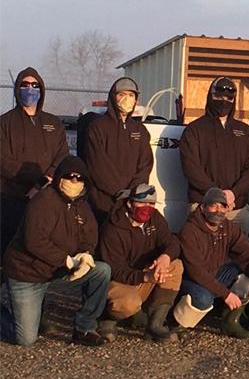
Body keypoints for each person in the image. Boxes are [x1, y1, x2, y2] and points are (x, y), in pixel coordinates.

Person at [1, 156, 110, 346]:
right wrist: (68, 261)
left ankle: (84, 328)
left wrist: (85, 255)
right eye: (69, 177)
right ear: (59, 177)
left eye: (79, 178)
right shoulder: (42, 201)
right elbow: (34, 241)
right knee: (25, 339)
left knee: (101, 271)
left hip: (56, 273)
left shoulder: (83, 205)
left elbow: (90, 235)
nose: (74, 182)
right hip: (27, 275)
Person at [96, 184, 183, 343]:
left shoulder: (155, 218)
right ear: (129, 203)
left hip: (143, 276)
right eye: (142, 203)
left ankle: (155, 324)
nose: (147, 208)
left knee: (175, 265)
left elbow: (172, 242)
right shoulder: (113, 228)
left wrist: (165, 256)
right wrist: (145, 276)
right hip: (118, 281)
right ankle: (106, 319)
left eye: (151, 204)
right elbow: (114, 269)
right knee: (129, 303)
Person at [175, 187, 249, 338]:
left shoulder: (228, 227)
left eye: (222, 206)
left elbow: (247, 252)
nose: (218, 210)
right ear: (203, 207)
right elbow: (196, 271)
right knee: (204, 298)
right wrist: (225, 293)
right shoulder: (189, 230)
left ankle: (230, 322)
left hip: (216, 273)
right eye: (213, 205)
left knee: (247, 277)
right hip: (191, 279)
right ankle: (179, 325)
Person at [1, 67, 69, 259]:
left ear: (41, 90)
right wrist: (34, 179)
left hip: (45, 198)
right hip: (11, 197)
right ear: (17, 89)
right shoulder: (5, 122)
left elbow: (62, 156)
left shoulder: (53, 123)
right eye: (25, 85)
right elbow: (4, 160)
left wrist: (43, 183)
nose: (30, 89)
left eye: (34, 85)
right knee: (9, 249)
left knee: (40, 245)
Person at [179, 77, 249, 236]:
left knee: (241, 256)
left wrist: (233, 193)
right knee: (201, 254)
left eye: (228, 97)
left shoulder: (244, 131)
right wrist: (216, 195)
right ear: (210, 96)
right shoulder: (194, 130)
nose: (223, 101)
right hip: (204, 206)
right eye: (219, 96)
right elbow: (190, 168)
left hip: (236, 208)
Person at [83, 77, 153, 224]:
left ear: (136, 100)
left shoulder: (140, 130)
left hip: (131, 203)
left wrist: (133, 192)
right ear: (113, 97)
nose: (126, 99)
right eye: (122, 94)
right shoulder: (97, 128)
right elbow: (97, 165)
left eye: (131, 95)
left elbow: (145, 163)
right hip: (103, 202)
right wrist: (119, 191)